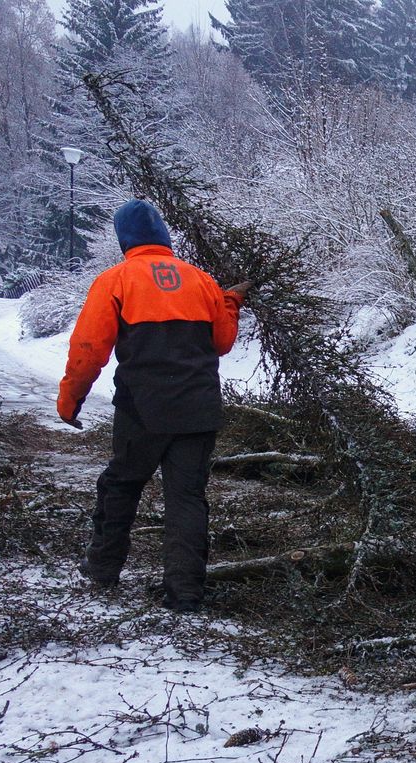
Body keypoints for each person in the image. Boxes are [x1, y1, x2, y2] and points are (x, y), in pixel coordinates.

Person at [57, 199, 247, 613]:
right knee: (187, 498)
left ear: (125, 238)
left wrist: (70, 399)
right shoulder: (201, 280)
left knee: (121, 485)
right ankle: (185, 594)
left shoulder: (116, 280)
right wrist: (229, 302)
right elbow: (222, 343)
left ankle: (103, 570)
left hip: (142, 410)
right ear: (164, 236)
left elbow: (89, 350)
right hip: (198, 409)